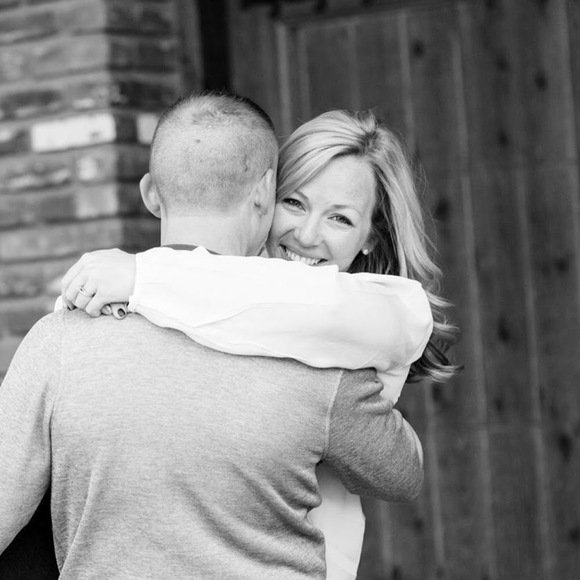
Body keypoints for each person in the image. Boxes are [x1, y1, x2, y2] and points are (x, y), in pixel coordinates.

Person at [0, 91, 427, 580]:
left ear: (151, 193)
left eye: (339, 216)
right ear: (264, 196)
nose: (308, 236)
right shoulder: (323, 358)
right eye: (294, 202)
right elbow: (402, 473)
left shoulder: (62, 338)